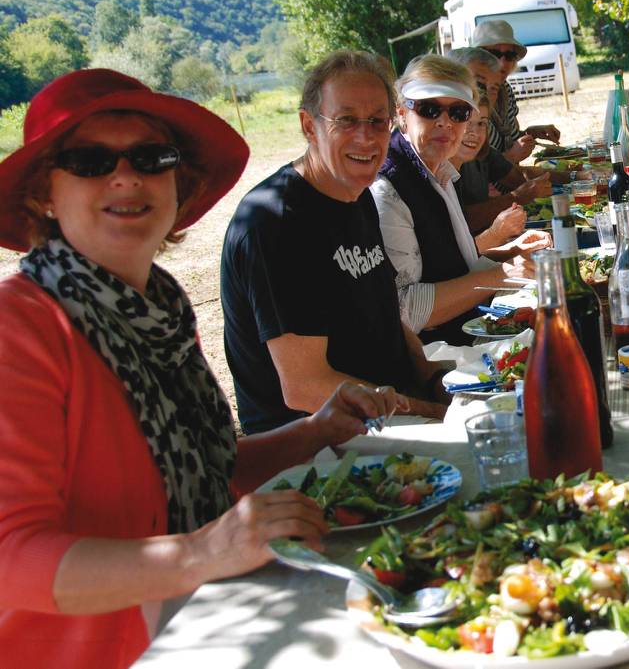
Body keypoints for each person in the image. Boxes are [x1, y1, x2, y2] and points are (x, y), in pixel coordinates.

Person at [0, 69, 408, 667]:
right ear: (43, 193)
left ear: (177, 180)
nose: (125, 176)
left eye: (151, 156)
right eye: (88, 160)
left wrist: (314, 431)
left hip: (210, 621)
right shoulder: (24, 329)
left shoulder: (157, 308)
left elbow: (202, 469)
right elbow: (12, 558)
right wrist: (201, 552)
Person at [221, 51, 450, 434]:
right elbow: (304, 388)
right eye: (345, 120)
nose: (366, 137)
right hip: (319, 444)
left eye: (378, 121)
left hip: (389, 410)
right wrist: (429, 411)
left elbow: (388, 315)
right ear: (309, 126)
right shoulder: (275, 224)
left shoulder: (355, 191)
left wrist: (433, 380)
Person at [371, 55, 544, 345]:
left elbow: (454, 268)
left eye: (459, 112)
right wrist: (500, 274)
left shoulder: (439, 169)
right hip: (437, 360)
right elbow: (407, 311)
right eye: (429, 109)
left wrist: (508, 256)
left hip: (467, 335)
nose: (445, 123)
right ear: (401, 114)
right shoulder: (387, 189)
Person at [450, 92, 552, 247]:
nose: (474, 133)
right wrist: (516, 198)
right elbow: (462, 222)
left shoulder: (483, 151)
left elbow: (517, 176)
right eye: (467, 122)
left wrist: (576, 175)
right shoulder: (435, 172)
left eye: (481, 123)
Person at [471, 20, 560, 163]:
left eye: (510, 55)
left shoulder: (505, 90)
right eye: (493, 53)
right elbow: (472, 169)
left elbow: (507, 140)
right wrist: (511, 157)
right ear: (477, 56)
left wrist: (532, 132)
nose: (502, 62)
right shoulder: (467, 97)